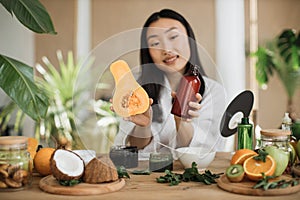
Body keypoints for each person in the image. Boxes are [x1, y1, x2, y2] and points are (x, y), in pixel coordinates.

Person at [113, 9, 227, 159]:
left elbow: (204, 150)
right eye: (155, 43)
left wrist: (182, 122)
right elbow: (134, 148)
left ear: (189, 38)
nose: (166, 49)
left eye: (173, 36)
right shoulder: (136, 89)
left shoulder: (214, 92)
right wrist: (144, 125)